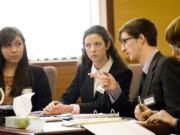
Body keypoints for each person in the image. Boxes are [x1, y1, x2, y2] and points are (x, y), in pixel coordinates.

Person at [43, 25, 133, 116]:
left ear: (107, 44)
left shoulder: (122, 72)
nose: (92, 49)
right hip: (85, 123)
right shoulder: (83, 69)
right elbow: (68, 97)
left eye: (97, 44)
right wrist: (56, 105)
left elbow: (105, 105)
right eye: (88, 45)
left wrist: (70, 108)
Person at [111, 18, 180, 120]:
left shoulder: (167, 64)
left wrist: (153, 114)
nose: (122, 49)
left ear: (141, 39)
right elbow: (132, 111)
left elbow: (176, 111)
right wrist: (114, 90)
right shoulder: (146, 70)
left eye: (124, 41)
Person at [135, 17, 180, 134]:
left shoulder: (166, 64)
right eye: (172, 47)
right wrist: (155, 114)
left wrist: (173, 121)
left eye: (178, 47)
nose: (174, 54)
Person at [0, 27, 52, 111]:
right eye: (7, 45)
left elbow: (45, 108)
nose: (14, 50)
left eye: (18, 44)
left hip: (28, 122)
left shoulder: (37, 73)